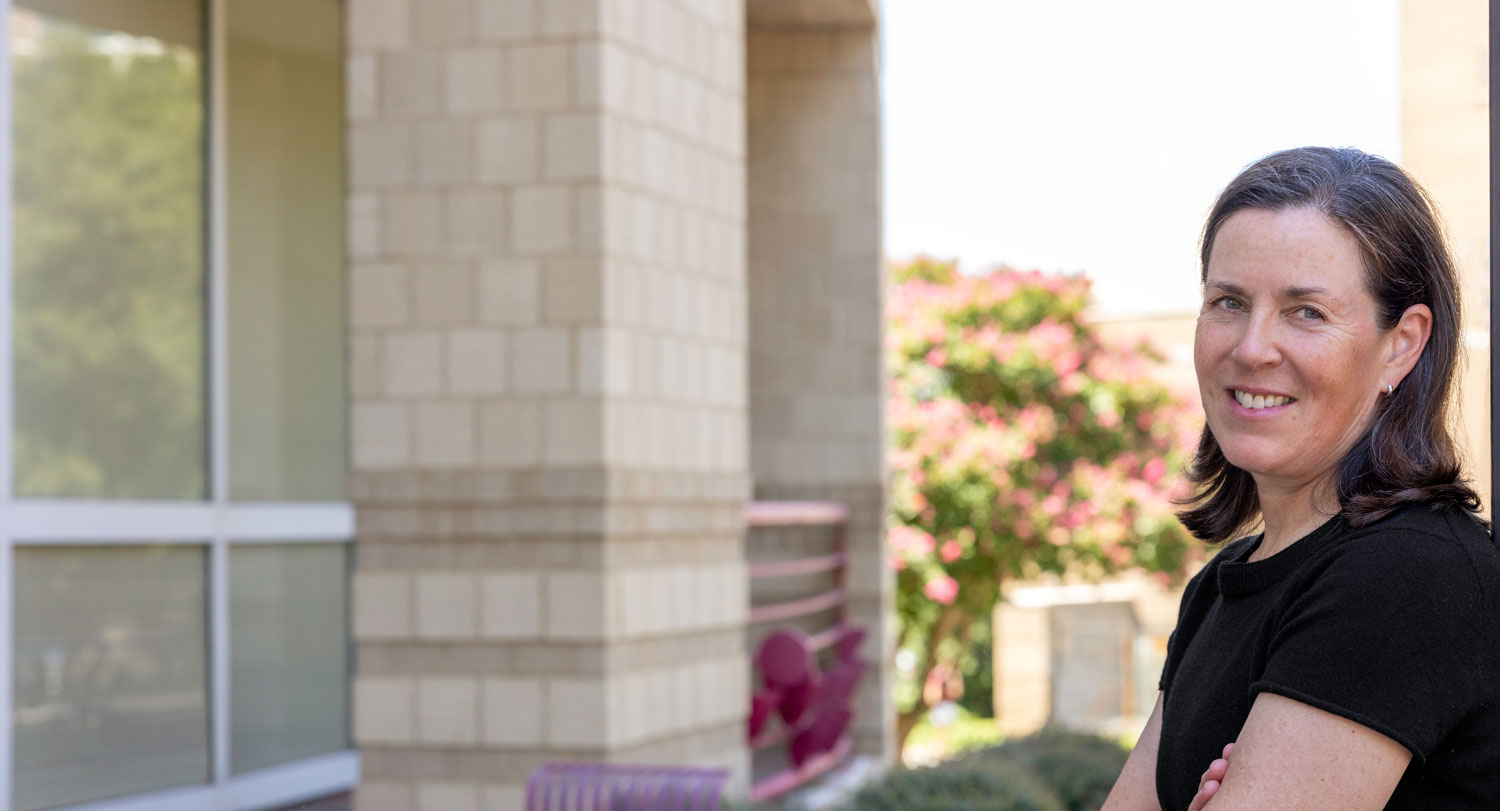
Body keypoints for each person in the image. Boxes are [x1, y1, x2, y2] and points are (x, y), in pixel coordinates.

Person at [1101, 146, 1500, 810]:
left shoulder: (1406, 576)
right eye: (1228, 301)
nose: (1252, 346)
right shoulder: (1220, 587)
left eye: (1305, 311)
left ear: (1401, 344)